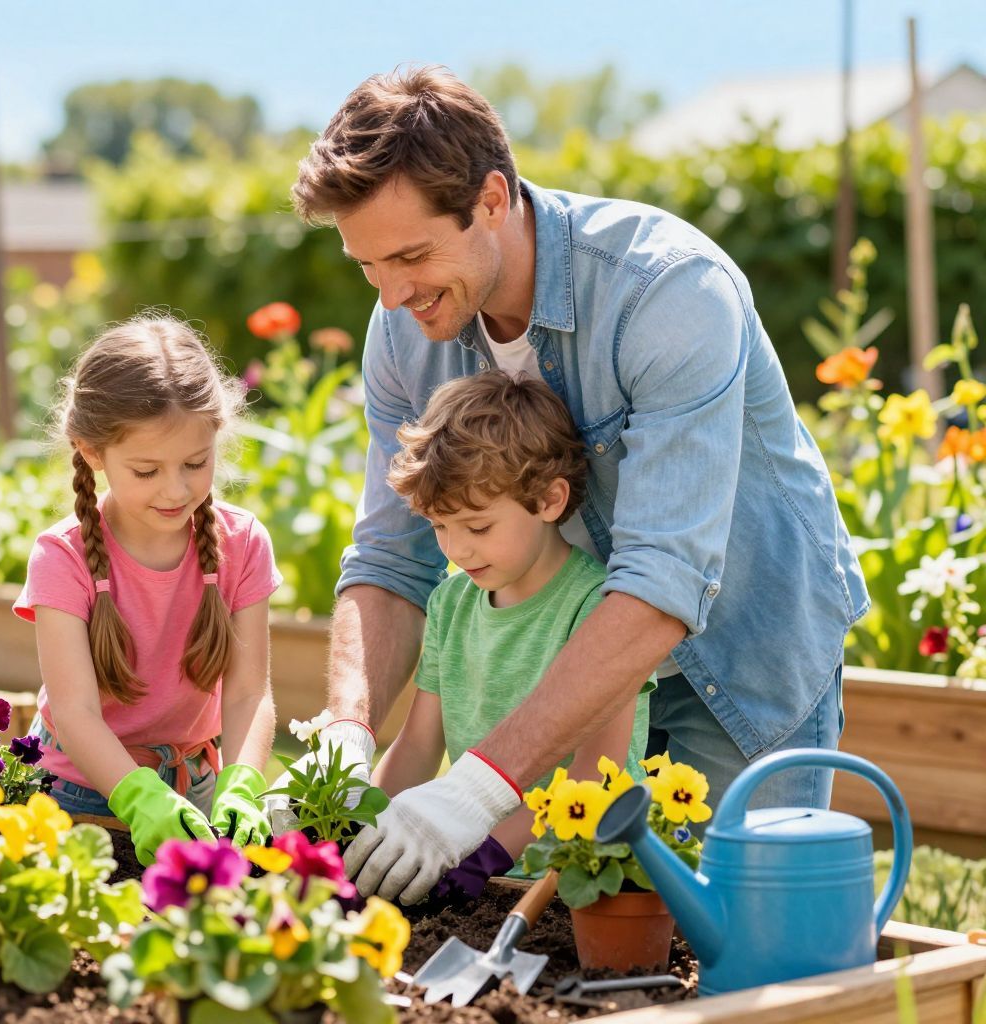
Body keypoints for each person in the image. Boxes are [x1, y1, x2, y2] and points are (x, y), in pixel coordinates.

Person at [279, 65, 867, 904]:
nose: (393, 292)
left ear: (490, 196)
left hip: (740, 657)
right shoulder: (403, 331)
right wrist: (344, 730)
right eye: (368, 265)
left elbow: (664, 579)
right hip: (572, 679)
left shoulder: (666, 291)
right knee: (593, 950)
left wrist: (477, 786)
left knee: (732, 944)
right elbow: (389, 557)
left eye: (411, 255)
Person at [364, 372, 654, 903]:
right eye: (439, 527)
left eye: (477, 528)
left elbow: (596, 774)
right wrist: (362, 831)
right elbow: (418, 747)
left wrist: (488, 854)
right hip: (470, 875)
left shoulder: (600, 613)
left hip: (578, 885)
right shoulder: (451, 604)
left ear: (548, 500)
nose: (457, 550)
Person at [13, 315, 283, 865]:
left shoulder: (243, 542)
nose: (175, 489)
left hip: (198, 788)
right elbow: (75, 710)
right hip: (77, 794)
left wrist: (242, 783)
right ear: (91, 452)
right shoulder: (62, 557)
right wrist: (137, 796)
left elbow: (247, 693)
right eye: (146, 471)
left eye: (195, 463)